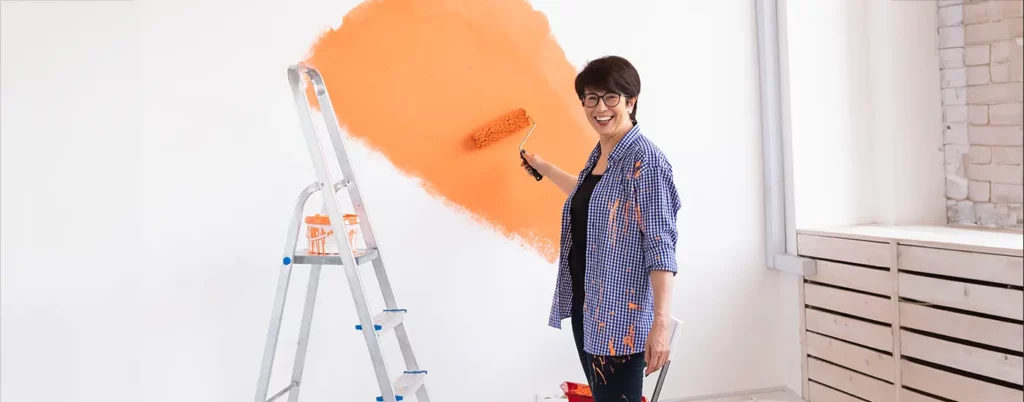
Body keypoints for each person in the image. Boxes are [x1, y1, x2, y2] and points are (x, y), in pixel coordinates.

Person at [522, 55, 680, 401]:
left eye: (611, 97)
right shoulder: (602, 154)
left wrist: (660, 324)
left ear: (631, 101)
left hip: (621, 319)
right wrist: (543, 166)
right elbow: (588, 199)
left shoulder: (645, 162)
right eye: (591, 98)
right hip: (589, 307)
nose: (600, 107)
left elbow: (661, 248)